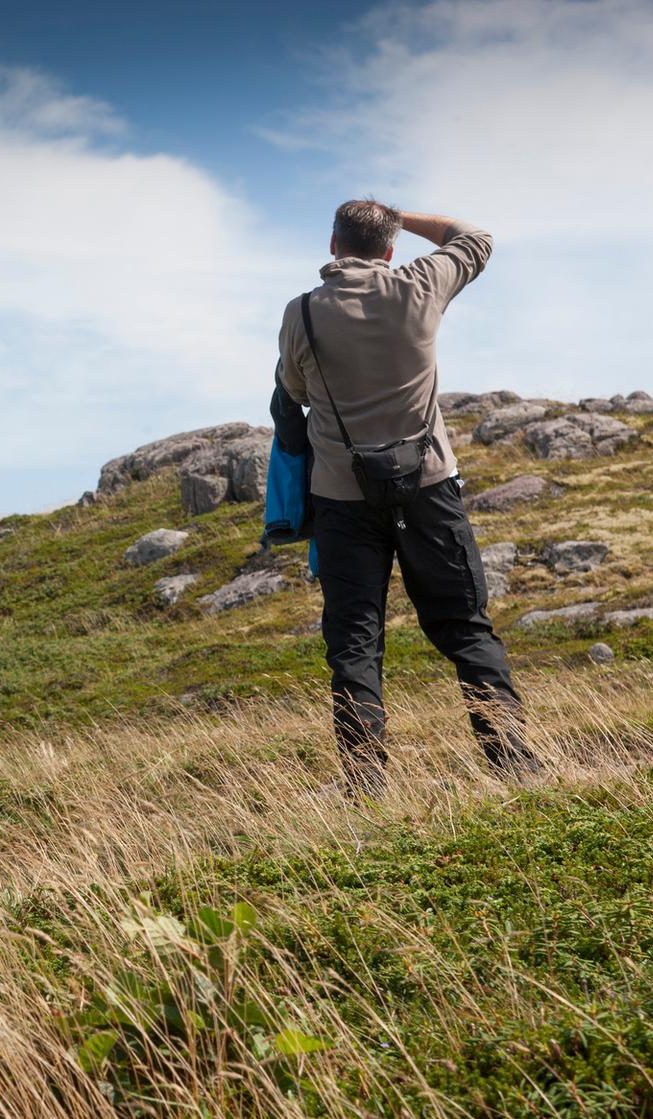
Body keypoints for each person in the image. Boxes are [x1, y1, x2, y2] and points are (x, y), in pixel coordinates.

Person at [271, 199, 538, 796]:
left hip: (342, 499)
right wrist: (401, 216)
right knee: (466, 627)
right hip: (429, 490)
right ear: (391, 250)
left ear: (333, 244)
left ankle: (365, 786)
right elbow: (475, 236)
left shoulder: (303, 313)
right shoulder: (421, 284)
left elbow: (291, 392)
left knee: (355, 641)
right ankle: (513, 765)